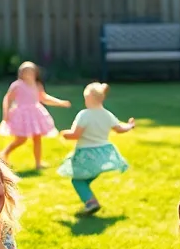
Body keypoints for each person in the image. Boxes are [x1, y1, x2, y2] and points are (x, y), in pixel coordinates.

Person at [58, 82, 135, 215]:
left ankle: (91, 202)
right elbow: (119, 129)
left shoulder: (84, 115)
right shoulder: (107, 114)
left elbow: (76, 134)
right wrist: (130, 126)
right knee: (85, 179)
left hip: (86, 155)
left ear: (88, 98)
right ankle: (91, 201)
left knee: (77, 181)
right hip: (102, 155)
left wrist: (64, 134)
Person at [0, 61, 71, 171]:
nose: (28, 74)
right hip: (23, 115)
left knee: (37, 138)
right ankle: (4, 153)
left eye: (30, 71)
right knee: (21, 139)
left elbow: (44, 98)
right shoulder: (17, 85)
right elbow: (8, 98)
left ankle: (38, 163)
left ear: (35, 73)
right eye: (25, 71)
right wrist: (6, 112)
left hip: (35, 115)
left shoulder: (37, 85)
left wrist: (60, 102)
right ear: (21, 73)